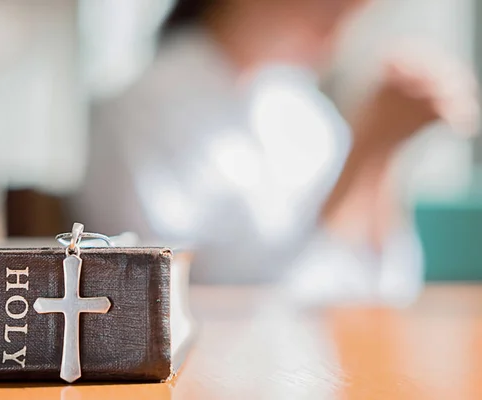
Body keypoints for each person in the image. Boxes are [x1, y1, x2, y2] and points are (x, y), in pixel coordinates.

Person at [75, 0, 478, 304]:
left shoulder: (301, 107)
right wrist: (366, 148)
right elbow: (185, 298)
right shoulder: (142, 109)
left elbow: (380, 285)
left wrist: (382, 151)